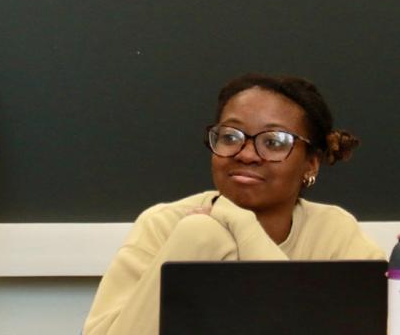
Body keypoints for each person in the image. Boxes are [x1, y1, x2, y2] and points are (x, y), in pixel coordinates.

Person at [83, 73, 385, 335]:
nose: (246, 154)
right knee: (200, 232)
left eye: (274, 142)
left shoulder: (334, 233)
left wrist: (241, 224)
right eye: (230, 136)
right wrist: (197, 239)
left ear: (311, 163)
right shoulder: (164, 224)